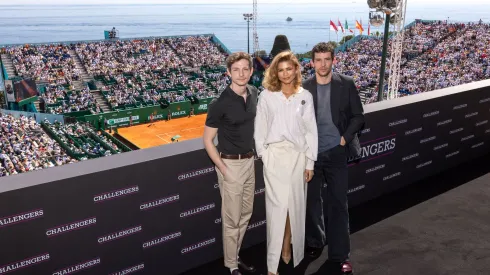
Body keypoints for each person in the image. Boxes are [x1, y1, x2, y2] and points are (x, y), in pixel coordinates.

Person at [303, 42, 365, 275]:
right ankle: (316, 242)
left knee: (339, 204)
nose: (322, 64)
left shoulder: (346, 83)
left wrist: (344, 139)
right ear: (312, 63)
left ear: (333, 60)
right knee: (312, 202)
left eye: (326, 59)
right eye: (318, 60)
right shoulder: (304, 87)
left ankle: (341, 256)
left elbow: (358, 117)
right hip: (311, 155)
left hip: (337, 152)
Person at [254, 51, 318, 275]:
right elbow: (260, 129)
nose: (285, 74)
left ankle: (287, 244)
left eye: (288, 69)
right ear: (275, 72)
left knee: (294, 208)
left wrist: (310, 162)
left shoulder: (305, 96)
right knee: (276, 210)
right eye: (280, 70)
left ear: (296, 69)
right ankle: (272, 266)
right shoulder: (266, 96)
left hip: (298, 158)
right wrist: (264, 154)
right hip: (274, 158)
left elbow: (311, 131)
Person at [203, 52, 259, 275]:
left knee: (246, 213)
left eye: (245, 69)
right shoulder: (219, 103)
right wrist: (223, 169)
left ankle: (235, 255)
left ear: (251, 71)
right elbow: (207, 141)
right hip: (230, 166)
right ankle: (231, 265)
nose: (241, 73)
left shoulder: (255, 93)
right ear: (228, 73)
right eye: (236, 70)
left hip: (249, 161)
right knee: (232, 220)